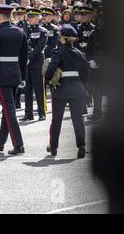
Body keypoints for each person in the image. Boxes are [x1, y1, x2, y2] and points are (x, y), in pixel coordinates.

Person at [0, 4, 28, 155]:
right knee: (7, 109)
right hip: (15, 73)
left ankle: (18, 145)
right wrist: (22, 76)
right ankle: (0, 142)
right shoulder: (20, 31)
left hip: (2, 75)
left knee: (9, 110)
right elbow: (24, 57)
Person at [45, 25, 89, 158]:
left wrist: (48, 80)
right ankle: (81, 146)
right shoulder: (80, 53)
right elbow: (85, 74)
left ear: (63, 38)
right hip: (77, 89)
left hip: (61, 89)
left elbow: (52, 68)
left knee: (56, 119)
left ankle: (53, 147)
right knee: (78, 119)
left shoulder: (57, 52)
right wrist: (82, 86)